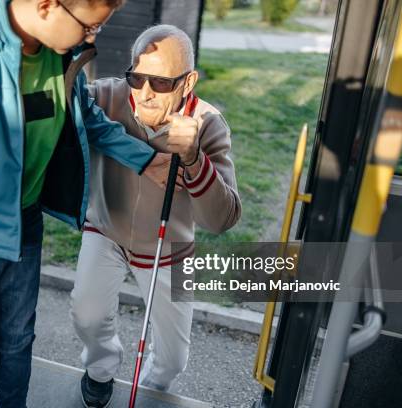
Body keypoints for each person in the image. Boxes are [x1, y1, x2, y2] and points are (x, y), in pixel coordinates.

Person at [0, 1, 179, 406]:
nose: (91, 37)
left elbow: (91, 122)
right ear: (47, 6)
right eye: (91, 27)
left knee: (17, 344)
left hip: (25, 226)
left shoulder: (59, 56)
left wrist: (147, 157)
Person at [70, 24, 242, 407]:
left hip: (170, 250)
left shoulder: (209, 123)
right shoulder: (107, 96)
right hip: (106, 231)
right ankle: (100, 371)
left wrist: (196, 159)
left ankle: (149, 390)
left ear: (188, 82)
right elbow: (67, 97)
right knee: (87, 311)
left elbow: (223, 219)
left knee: (173, 359)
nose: (145, 93)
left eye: (161, 83)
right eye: (137, 77)